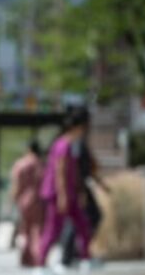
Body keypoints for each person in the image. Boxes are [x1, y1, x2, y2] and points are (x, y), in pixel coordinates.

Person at [35, 109, 95, 274]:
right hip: (59, 194)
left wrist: (79, 191)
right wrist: (62, 196)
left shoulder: (71, 144)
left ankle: (85, 259)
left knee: (83, 225)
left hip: (70, 193)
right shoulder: (63, 144)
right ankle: (40, 265)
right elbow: (60, 171)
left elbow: (73, 171)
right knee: (53, 228)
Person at [60, 134, 110, 269]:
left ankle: (77, 254)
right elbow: (77, 172)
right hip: (78, 190)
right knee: (75, 222)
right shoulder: (75, 146)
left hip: (81, 189)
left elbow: (90, 171)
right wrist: (80, 191)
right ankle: (68, 257)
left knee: (88, 220)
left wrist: (102, 185)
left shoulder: (81, 146)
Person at [9, 139, 45, 268]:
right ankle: (37, 258)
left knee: (24, 230)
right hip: (38, 200)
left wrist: (11, 200)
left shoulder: (21, 163)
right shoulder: (40, 164)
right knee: (37, 230)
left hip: (23, 200)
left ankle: (25, 258)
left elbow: (16, 184)